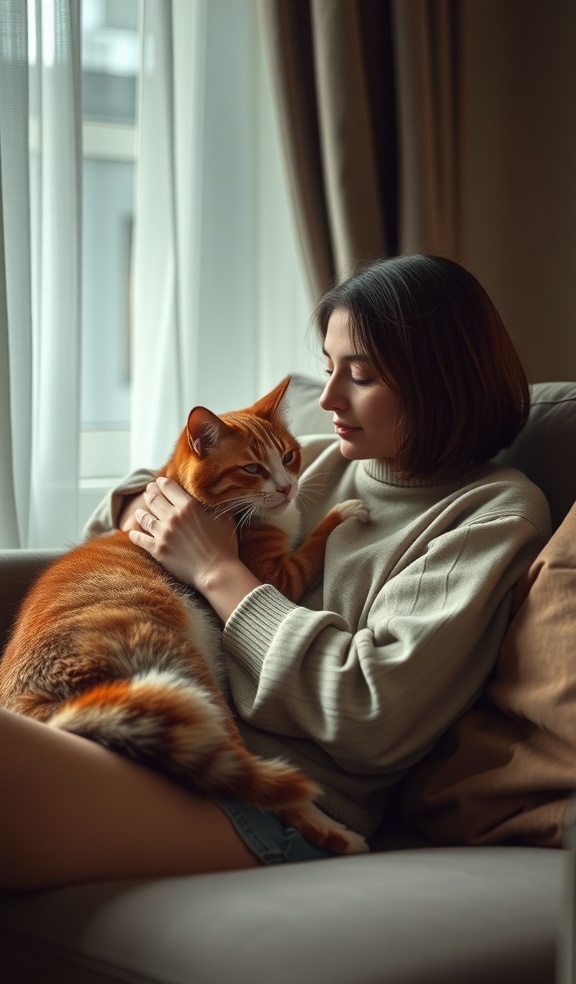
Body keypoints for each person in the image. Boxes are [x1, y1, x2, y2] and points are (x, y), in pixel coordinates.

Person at [0, 254, 551, 891]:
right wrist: (150, 507)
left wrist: (216, 569)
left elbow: (371, 713)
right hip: (155, 732)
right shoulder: (312, 458)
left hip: (265, 797)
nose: (329, 398)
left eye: (360, 375)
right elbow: (119, 517)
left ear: (440, 380)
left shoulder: (490, 513)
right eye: (328, 367)